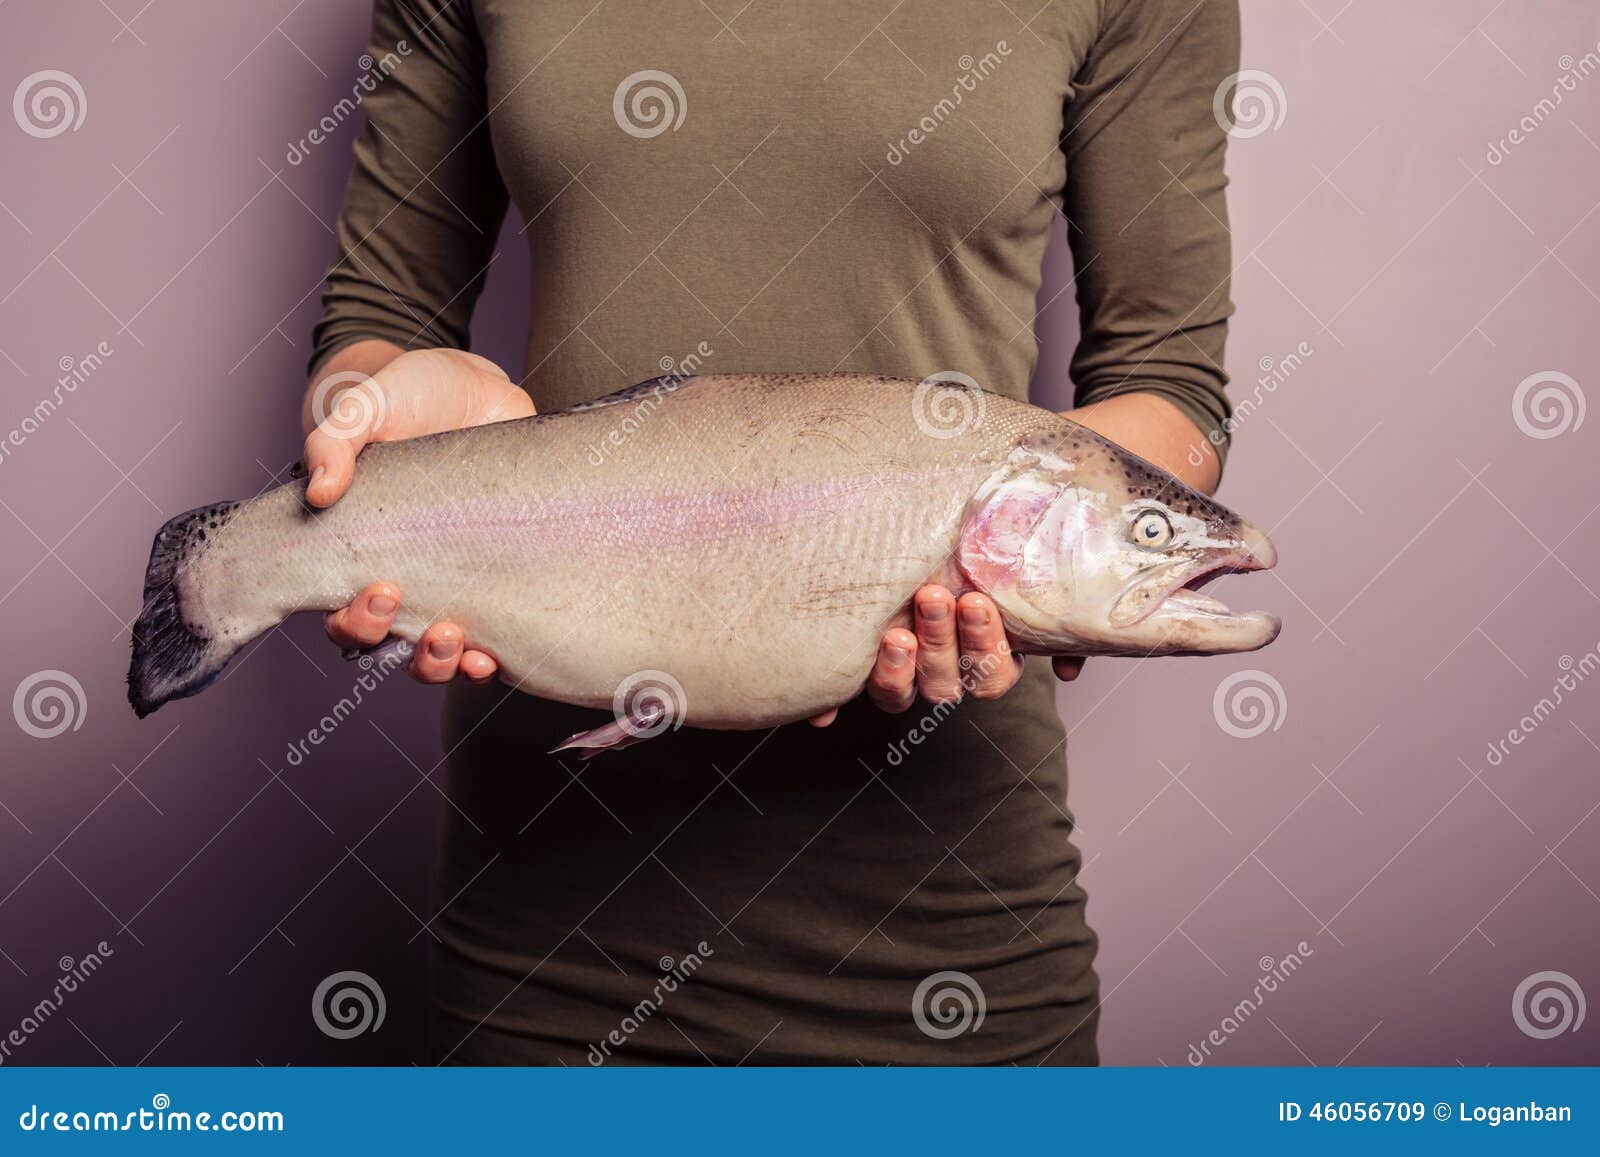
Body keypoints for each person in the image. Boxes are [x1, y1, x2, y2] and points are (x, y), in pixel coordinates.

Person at [303, 0, 1239, 1064]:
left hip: (945, 936)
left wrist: (1027, 537)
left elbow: (1169, 386)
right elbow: (380, 311)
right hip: (545, 938)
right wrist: (364, 421)